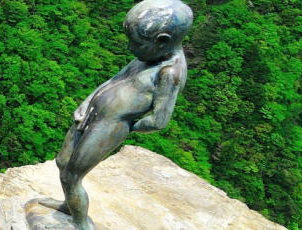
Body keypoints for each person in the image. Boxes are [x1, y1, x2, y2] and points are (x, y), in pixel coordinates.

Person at [37, 1, 193, 229]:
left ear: (162, 41)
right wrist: (87, 101)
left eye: (136, 43)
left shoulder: (169, 72)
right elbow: (115, 79)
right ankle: (69, 204)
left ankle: (80, 224)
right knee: (63, 163)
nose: (130, 47)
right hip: (92, 114)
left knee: (72, 176)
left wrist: (124, 124)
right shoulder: (148, 55)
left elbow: (159, 120)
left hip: (109, 126)